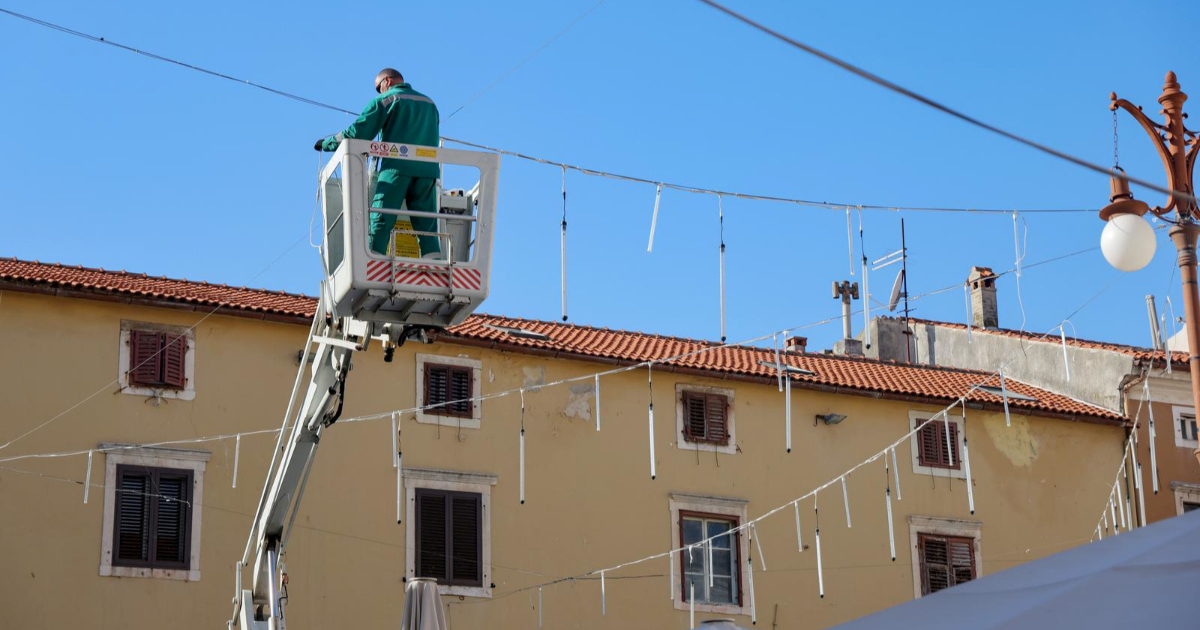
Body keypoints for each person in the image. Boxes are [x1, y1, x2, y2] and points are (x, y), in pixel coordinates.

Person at [316, 68, 441, 257]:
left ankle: (374, 259)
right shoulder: (429, 103)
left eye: (378, 87)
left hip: (396, 169)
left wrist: (327, 143)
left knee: (380, 219)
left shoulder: (386, 100)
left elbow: (357, 133)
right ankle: (436, 264)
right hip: (428, 171)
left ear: (387, 81)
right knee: (427, 224)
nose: (379, 91)